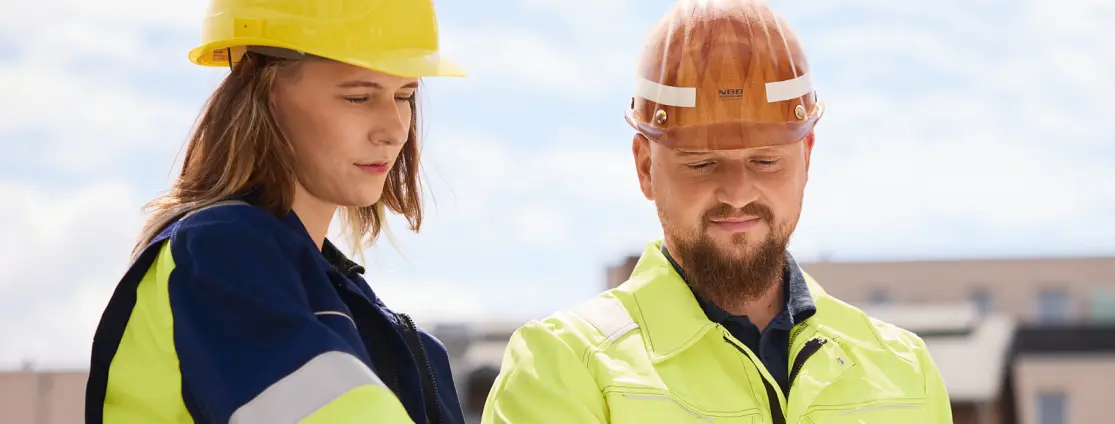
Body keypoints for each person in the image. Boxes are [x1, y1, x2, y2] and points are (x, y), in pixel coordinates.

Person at [481, 1, 952, 423]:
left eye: (765, 161)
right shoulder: (565, 367)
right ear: (646, 167)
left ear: (806, 158)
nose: (737, 191)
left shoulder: (906, 372)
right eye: (702, 163)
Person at [84, 0, 468, 422]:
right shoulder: (219, 254)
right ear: (264, 92)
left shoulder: (394, 336)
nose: (395, 129)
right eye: (358, 97)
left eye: (405, 95)